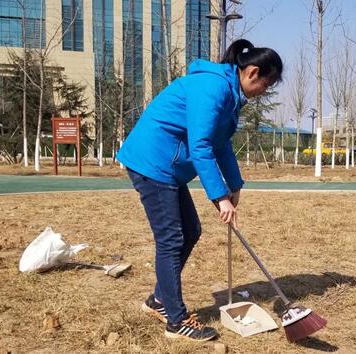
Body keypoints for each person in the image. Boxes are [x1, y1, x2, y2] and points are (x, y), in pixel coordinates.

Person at [117, 39, 283, 342]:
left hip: (168, 166)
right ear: (252, 73)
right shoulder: (213, 88)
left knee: (191, 231)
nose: (264, 92)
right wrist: (219, 197)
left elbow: (221, 144)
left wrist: (234, 186)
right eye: (266, 85)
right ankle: (176, 321)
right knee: (171, 239)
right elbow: (201, 145)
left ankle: (158, 300)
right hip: (152, 161)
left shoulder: (230, 95)